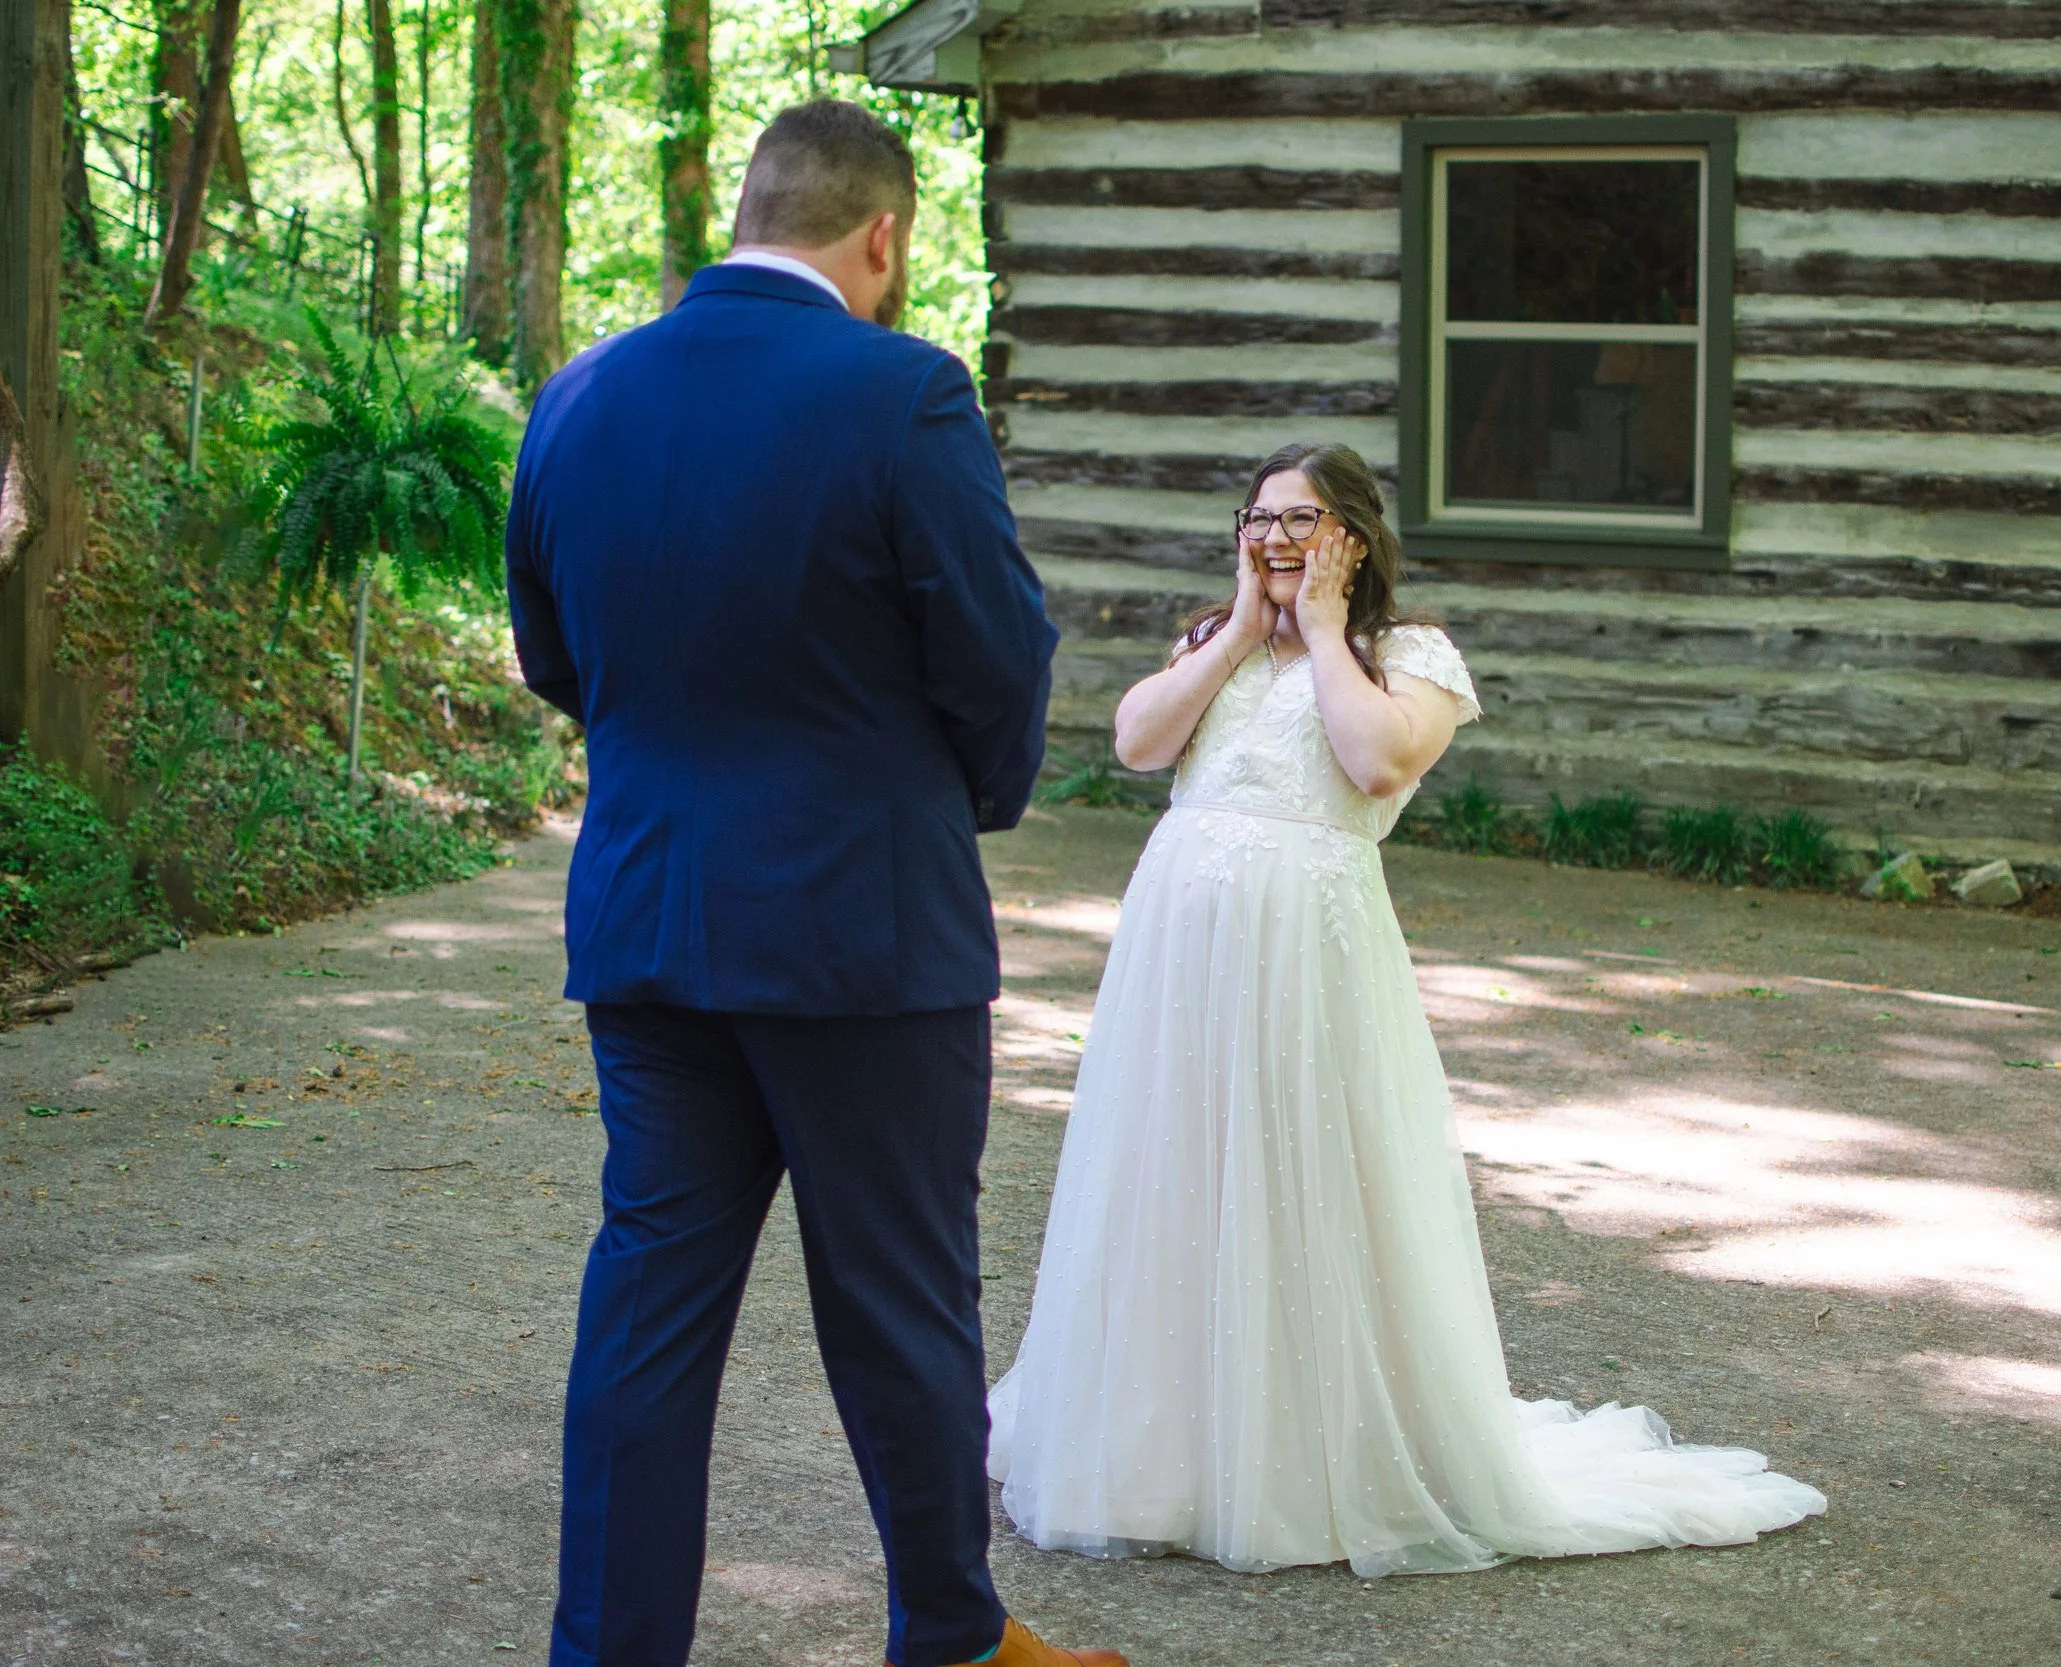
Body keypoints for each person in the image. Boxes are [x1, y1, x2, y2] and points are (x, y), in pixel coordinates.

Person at [506, 100, 1123, 1667]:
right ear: (885, 236)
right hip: (865, 936)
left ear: (745, 217)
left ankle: (608, 1652)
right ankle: (954, 1639)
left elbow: (553, 658)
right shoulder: (903, 392)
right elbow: (996, 653)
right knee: (902, 1304)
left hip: (649, 922)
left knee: (645, 1315)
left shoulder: (576, 399)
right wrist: (969, 794)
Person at [987, 442, 1827, 1576]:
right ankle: (1165, 1452)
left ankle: (1307, 1455)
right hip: (1176, 957)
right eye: (1260, 520)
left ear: (1354, 537)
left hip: (1309, 955)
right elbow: (1136, 743)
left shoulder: (1408, 654)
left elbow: (1377, 764)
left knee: (1307, 1175)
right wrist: (1241, 627)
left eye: (1302, 522)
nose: (1276, 542)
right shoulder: (1216, 643)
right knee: (1176, 1167)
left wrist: (1325, 633)